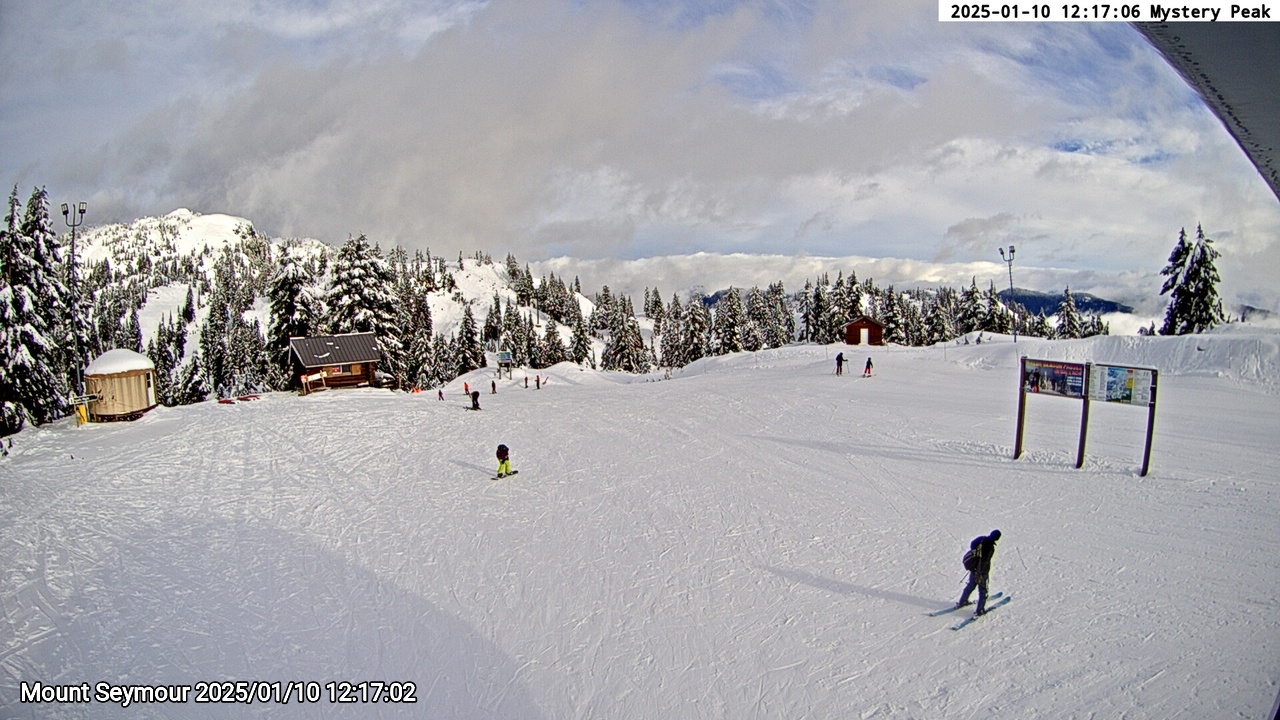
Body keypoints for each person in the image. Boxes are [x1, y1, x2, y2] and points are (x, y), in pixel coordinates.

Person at [957, 529, 1002, 615]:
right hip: (981, 572)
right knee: (983, 591)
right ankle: (980, 610)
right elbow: (985, 562)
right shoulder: (990, 548)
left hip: (973, 568)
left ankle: (962, 601)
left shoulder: (981, 539)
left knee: (970, 586)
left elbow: (972, 544)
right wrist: (981, 573)